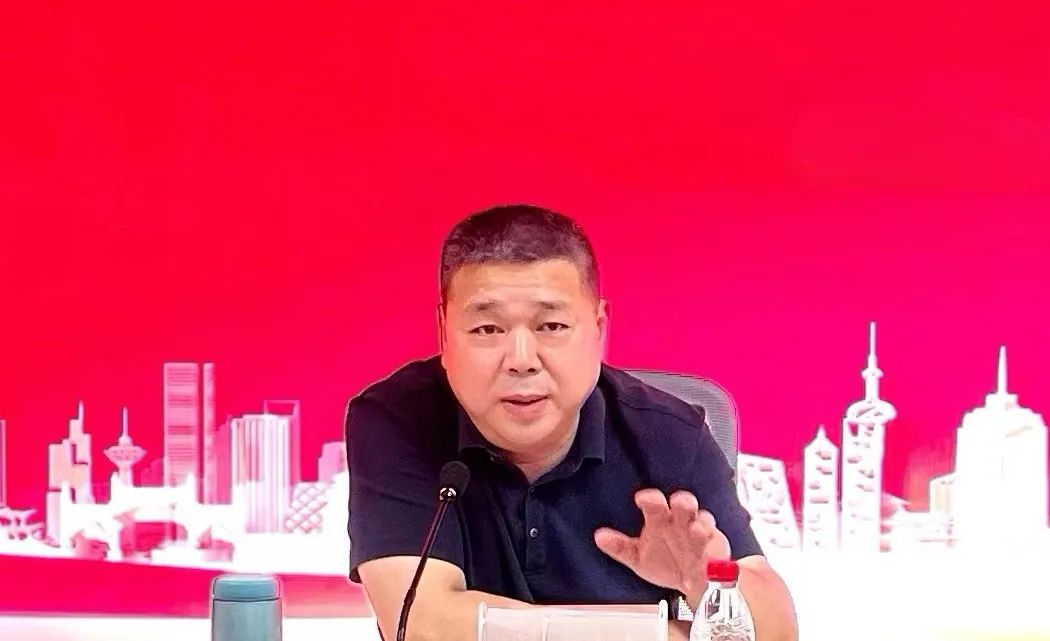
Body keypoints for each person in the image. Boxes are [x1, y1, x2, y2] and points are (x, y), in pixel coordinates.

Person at [345, 204, 797, 641]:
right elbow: (424, 626)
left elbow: (775, 631)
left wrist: (702, 585)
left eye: (552, 327)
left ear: (599, 328)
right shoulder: (397, 420)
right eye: (487, 330)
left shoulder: (670, 434)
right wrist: (661, 635)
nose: (521, 360)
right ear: (445, 332)